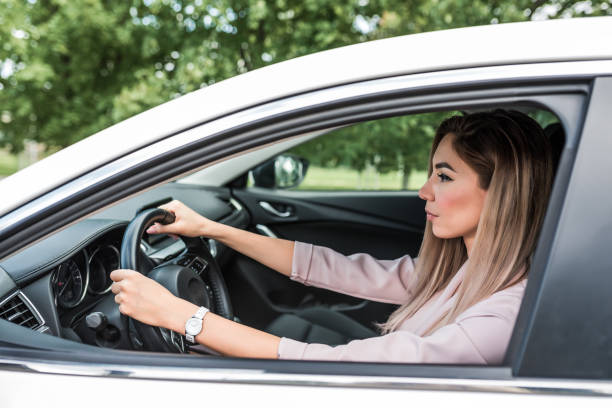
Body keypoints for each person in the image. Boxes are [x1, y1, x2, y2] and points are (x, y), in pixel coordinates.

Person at [110, 109, 553, 364]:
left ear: (502, 194)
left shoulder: (503, 316)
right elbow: (332, 268)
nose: (424, 191)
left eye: (443, 175)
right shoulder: (462, 272)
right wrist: (210, 228)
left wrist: (181, 316)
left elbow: (329, 366)